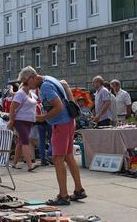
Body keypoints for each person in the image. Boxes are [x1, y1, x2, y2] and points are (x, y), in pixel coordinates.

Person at [24, 66, 86, 206]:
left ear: (32, 78)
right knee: (68, 156)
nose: (29, 87)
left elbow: (59, 107)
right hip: (69, 121)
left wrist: (44, 117)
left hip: (61, 124)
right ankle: (79, 189)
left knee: (58, 158)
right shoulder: (49, 79)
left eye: (27, 83)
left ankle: (63, 195)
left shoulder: (45, 86)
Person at [8, 73, 38, 171]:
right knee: (25, 141)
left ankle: (14, 163)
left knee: (21, 142)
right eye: (33, 80)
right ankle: (30, 165)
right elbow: (12, 107)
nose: (35, 83)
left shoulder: (31, 93)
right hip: (20, 121)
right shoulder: (20, 93)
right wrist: (12, 121)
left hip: (29, 121)